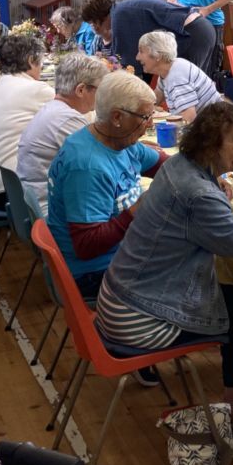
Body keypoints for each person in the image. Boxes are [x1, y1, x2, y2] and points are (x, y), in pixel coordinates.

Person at [97, 102, 233, 441]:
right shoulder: (198, 194)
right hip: (137, 319)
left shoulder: (179, 165)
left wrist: (215, 181)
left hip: (120, 298)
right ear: (210, 145)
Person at [46, 71, 168, 302]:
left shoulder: (118, 140)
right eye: (145, 117)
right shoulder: (88, 166)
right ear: (117, 117)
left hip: (118, 254)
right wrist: (135, 211)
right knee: (196, 263)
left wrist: (203, 173)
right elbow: (86, 246)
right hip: (93, 273)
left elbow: (162, 166)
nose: (150, 123)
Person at [18, 53, 109, 213]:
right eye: (101, 89)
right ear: (81, 90)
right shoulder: (67, 120)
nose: (103, 96)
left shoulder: (54, 109)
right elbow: (102, 167)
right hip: (51, 212)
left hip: (37, 203)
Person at [0, 34, 54, 208]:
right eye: (41, 62)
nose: (41, 68)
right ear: (30, 60)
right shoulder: (38, 90)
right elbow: (77, 125)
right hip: (19, 194)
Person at [83, 0, 216, 78]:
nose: (94, 28)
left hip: (194, 32)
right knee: (192, 79)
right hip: (201, 28)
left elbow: (130, 65)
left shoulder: (118, 17)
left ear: (98, 19)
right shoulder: (121, 10)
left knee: (187, 81)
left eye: (92, 23)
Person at [137, 31, 222, 123]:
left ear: (158, 55)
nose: (137, 57)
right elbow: (153, 101)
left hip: (214, 129)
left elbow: (188, 120)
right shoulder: (170, 69)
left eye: (141, 51)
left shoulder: (177, 77)